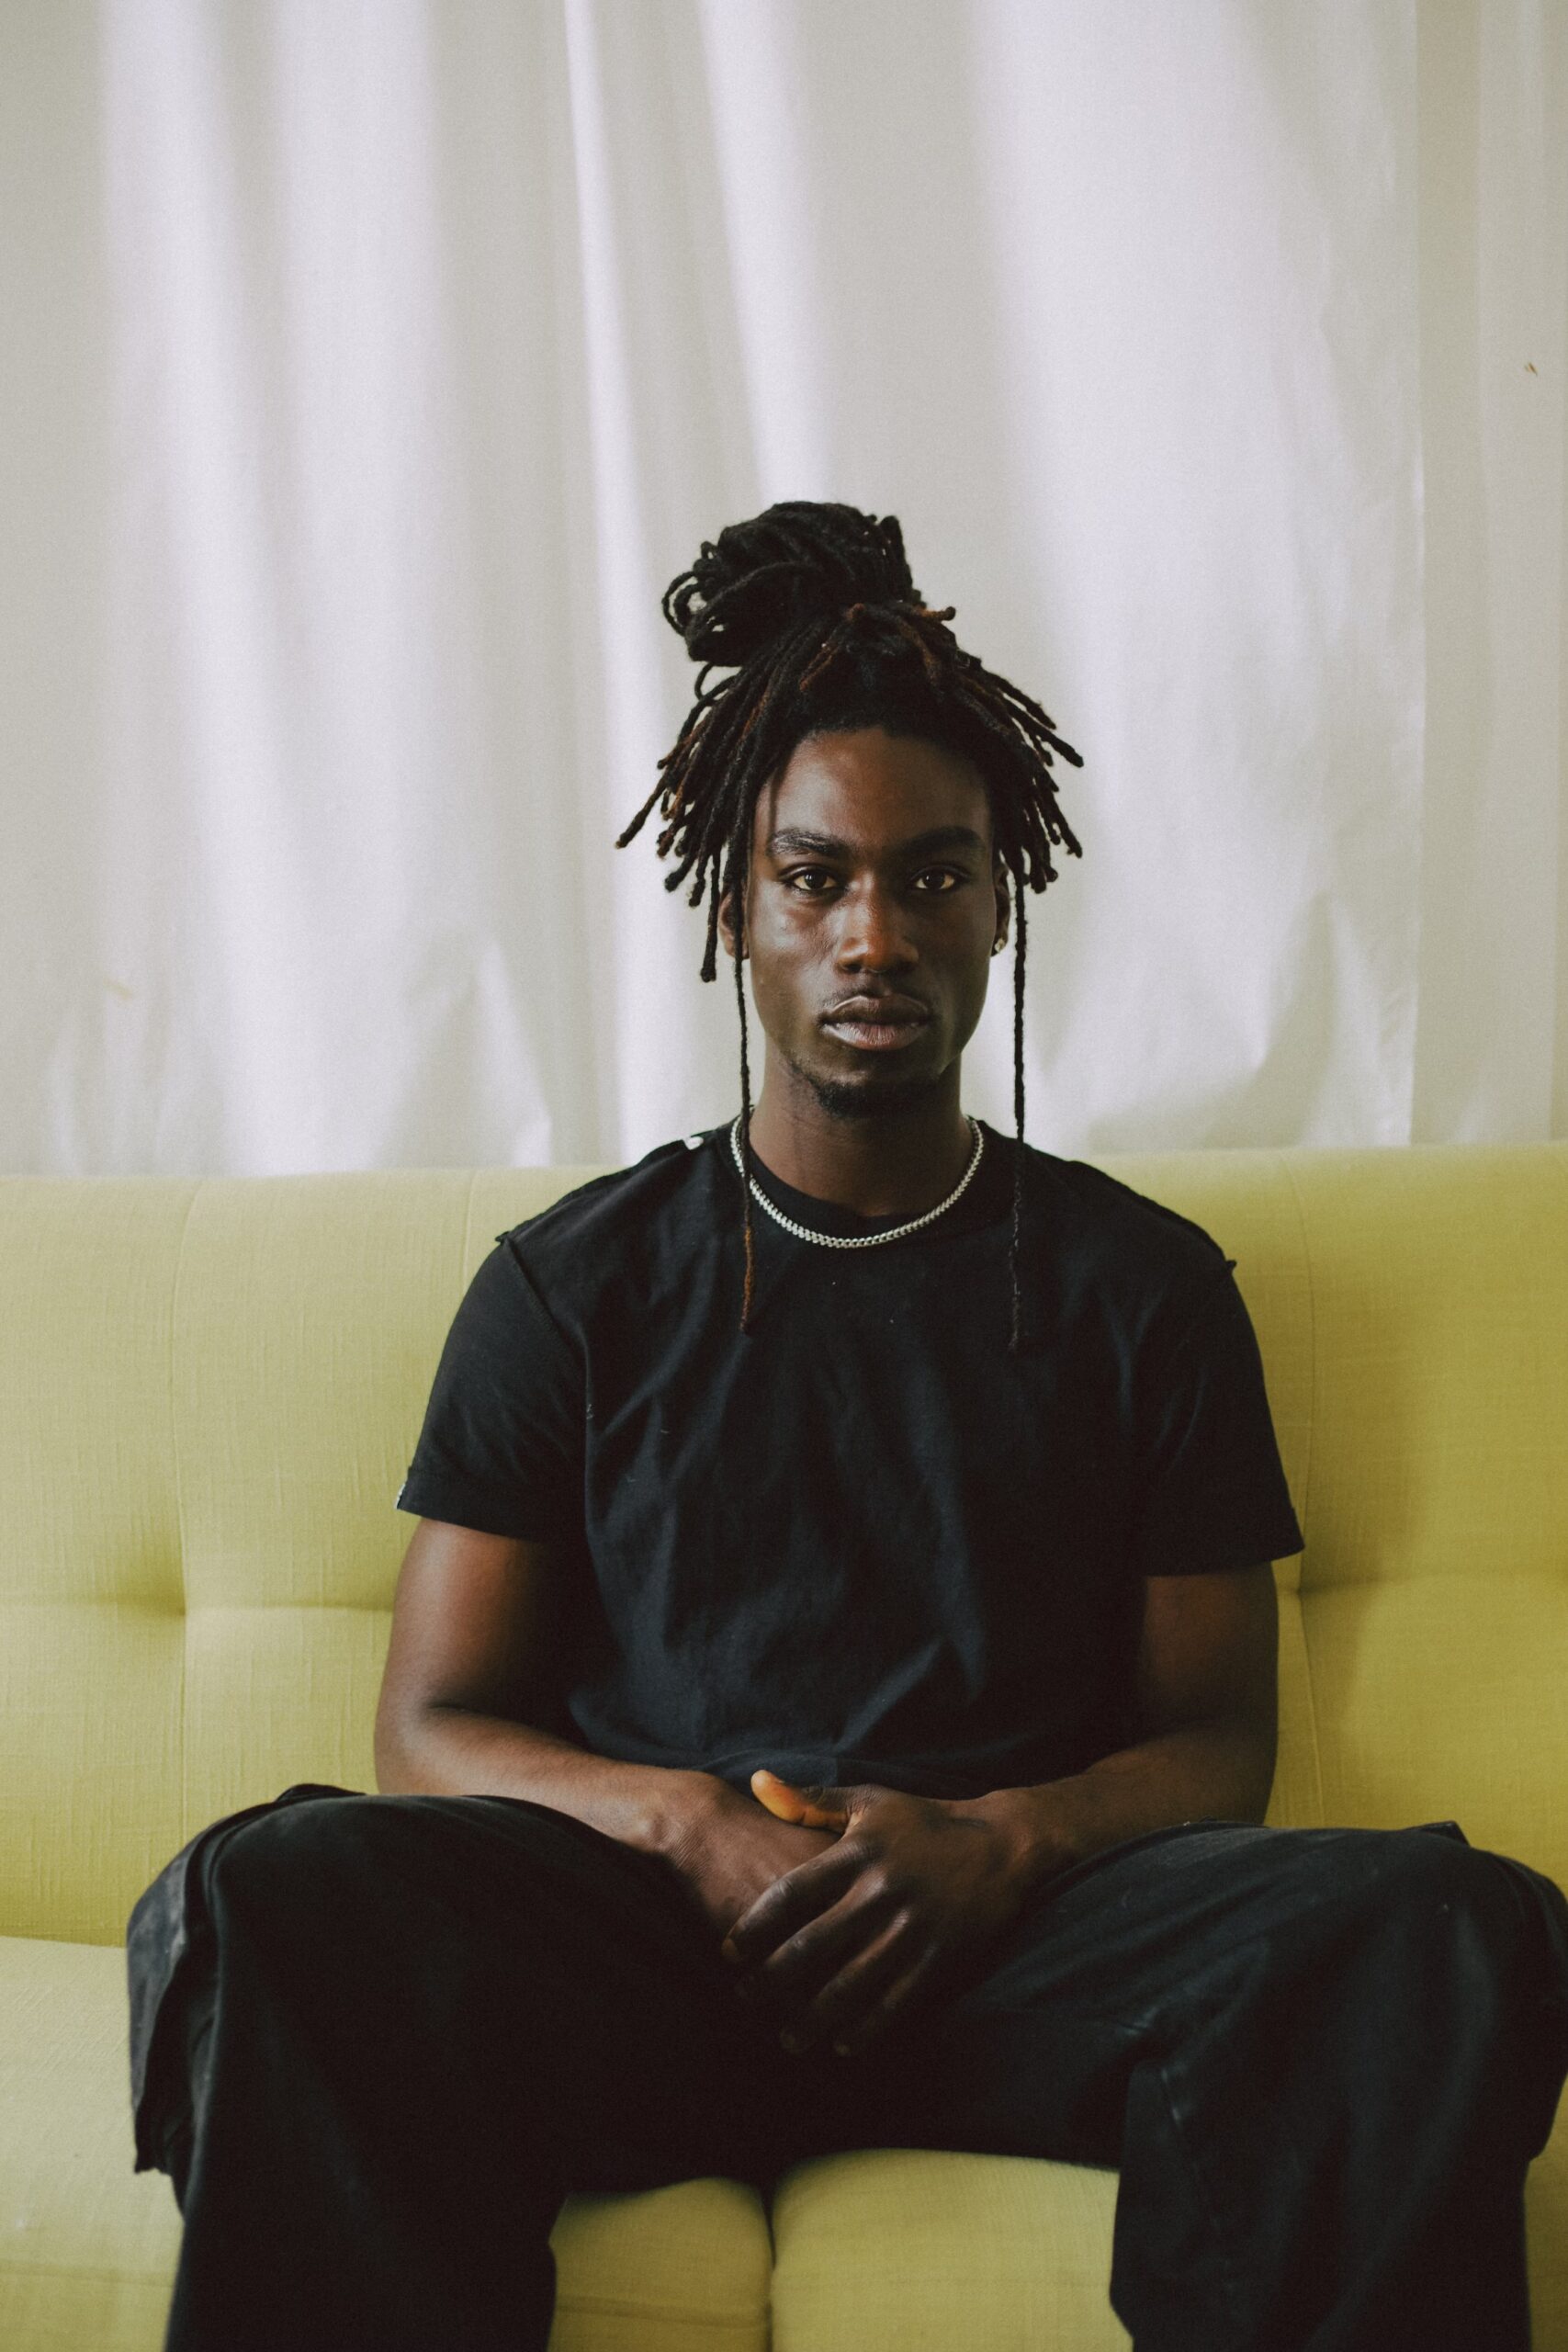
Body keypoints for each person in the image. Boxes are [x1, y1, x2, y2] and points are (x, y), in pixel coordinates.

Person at [127, 500, 1568, 2352]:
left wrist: (1006, 1844)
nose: (871, 934)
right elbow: (428, 1725)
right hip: (656, 1961)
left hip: (1023, 1956)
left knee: (1441, 1923)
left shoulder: (1143, 1289)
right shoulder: (572, 1288)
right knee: (285, 1886)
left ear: (1000, 903)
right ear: (736, 909)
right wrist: (687, 1825)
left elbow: (1218, 1740)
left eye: (930, 877)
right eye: (813, 879)